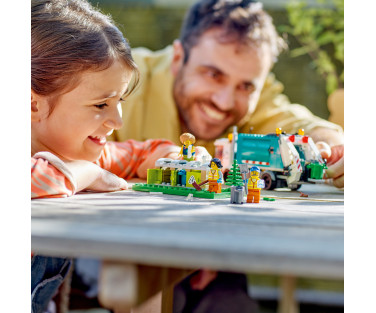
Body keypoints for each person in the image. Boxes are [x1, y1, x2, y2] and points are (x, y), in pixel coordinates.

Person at [107, 0, 344, 312]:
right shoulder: (121, 79)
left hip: (215, 259)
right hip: (116, 249)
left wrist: (333, 147)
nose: (224, 100)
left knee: (232, 303)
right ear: (178, 58)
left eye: (246, 86)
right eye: (212, 74)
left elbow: (305, 125)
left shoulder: (260, 101)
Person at [30, 1, 208, 312]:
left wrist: (176, 158)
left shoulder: (77, 152)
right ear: (32, 104)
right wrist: (88, 174)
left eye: (120, 101)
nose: (118, 122)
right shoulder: (76, 164)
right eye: (101, 105)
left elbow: (139, 152)